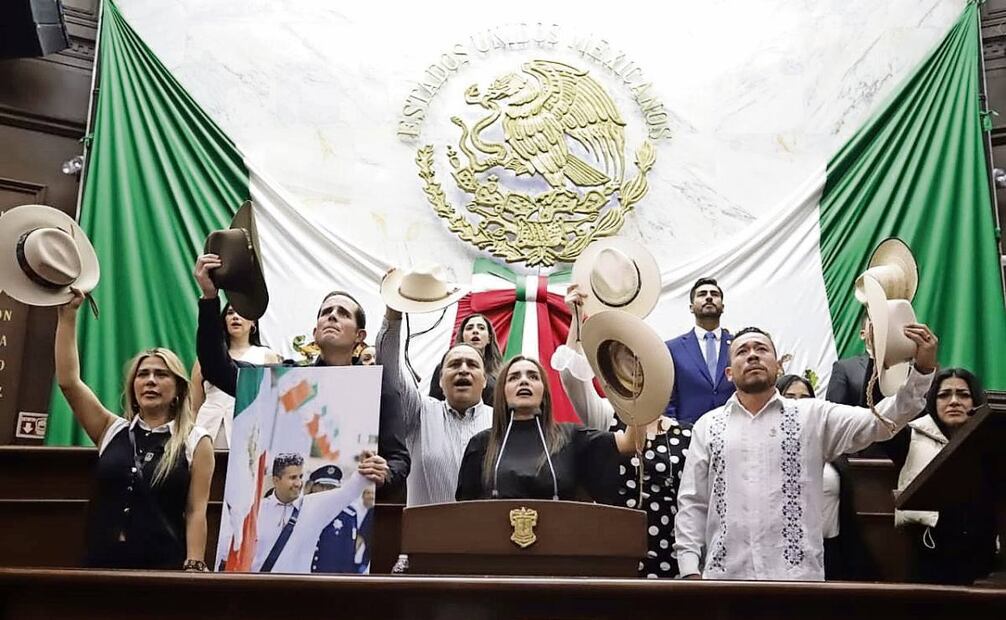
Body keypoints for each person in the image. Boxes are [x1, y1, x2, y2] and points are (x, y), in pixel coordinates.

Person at [674, 324, 938, 581]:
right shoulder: (708, 425)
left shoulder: (812, 415)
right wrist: (689, 568)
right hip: (724, 578)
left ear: (778, 366)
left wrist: (922, 371)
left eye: (761, 349)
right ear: (729, 373)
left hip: (797, 580)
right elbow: (693, 500)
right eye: (743, 351)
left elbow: (880, 422)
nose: (752, 354)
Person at [193, 254, 409, 493]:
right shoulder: (286, 381)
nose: (332, 315)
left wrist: (387, 472)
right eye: (326, 312)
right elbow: (217, 369)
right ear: (315, 332)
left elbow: (399, 458)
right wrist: (210, 298)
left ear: (359, 336)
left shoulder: (377, 387)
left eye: (343, 313)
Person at [55, 289, 214, 571]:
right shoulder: (110, 429)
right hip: (100, 566)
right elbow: (69, 382)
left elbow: (195, 511)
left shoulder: (195, 440)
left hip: (161, 571)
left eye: (161, 374)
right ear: (133, 387)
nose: (150, 381)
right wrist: (67, 317)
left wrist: (195, 565)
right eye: (143, 374)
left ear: (178, 389)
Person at [554, 284, 690, 578]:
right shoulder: (605, 419)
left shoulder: (687, 435)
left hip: (672, 554)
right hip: (612, 554)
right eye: (626, 360)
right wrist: (577, 320)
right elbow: (571, 379)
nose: (636, 369)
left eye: (643, 361)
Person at [456, 356, 641, 501]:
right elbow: (466, 512)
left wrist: (636, 391)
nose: (524, 381)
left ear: (544, 393)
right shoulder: (481, 444)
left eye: (533, 376)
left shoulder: (571, 436)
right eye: (514, 377)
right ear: (502, 392)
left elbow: (631, 443)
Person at [376, 305, 492, 506]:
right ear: (440, 380)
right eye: (454, 365)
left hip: (486, 535)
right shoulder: (420, 413)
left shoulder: (501, 421)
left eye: (472, 365)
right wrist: (393, 312)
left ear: (484, 380)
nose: (463, 370)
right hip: (423, 535)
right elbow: (389, 368)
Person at [893, 368, 997, 585]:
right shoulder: (910, 436)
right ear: (932, 401)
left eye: (963, 395)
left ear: (976, 401)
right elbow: (880, 418)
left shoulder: (992, 440)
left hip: (983, 556)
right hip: (929, 553)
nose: (954, 401)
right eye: (944, 394)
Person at [776, 374, 876, 581]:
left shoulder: (831, 448)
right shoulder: (764, 450)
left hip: (831, 549)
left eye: (805, 398)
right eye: (790, 396)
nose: (797, 404)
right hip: (780, 552)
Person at [254, 453, 371, 573]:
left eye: (300, 477)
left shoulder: (313, 506)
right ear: (276, 480)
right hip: (260, 586)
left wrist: (366, 469)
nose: (298, 483)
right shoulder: (257, 510)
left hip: (298, 589)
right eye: (293, 478)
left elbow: (348, 492)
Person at [191, 303, 282, 448]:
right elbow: (194, 406)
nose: (235, 317)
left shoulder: (266, 356)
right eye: (230, 313)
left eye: (241, 313)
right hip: (206, 429)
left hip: (248, 434)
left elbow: (271, 406)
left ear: (253, 323)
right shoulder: (207, 358)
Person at [663, 277, 735, 425]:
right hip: (687, 433)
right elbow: (667, 396)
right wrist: (673, 429)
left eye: (714, 294)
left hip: (733, 429)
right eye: (702, 294)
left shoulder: (738, 346)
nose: (709, 297)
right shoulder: (672, 348)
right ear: (691, 307)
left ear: (723, 306)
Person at [428, 313, 501, 404]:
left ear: (489, 338)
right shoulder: (443, 368)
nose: (475, 331)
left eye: (481, 328)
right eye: (469, 328)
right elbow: (434, 403)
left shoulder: (500, 373)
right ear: (462, 336)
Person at [307, 465, 360, 574]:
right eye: (322, 486)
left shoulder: (347, 515)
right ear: (313, 487)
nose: (326, 491)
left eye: (331, 487)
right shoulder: (302, 510)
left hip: (329, 578)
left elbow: (347, 554)